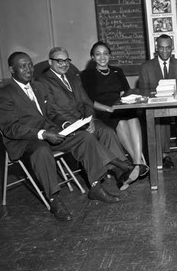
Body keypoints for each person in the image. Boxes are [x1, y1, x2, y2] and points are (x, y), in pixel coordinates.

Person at [0, 52, 131, 222]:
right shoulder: (3, 94)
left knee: (85, 137)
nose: (28, 69)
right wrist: (42, 134)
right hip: (25, 140)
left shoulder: (38, 86)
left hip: (50, 132)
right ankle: (54, 200)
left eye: (29, 65)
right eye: (23, 66)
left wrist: (66, 126)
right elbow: (10, 128)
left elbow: (50, 113)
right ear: (11, 69)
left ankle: (95, 186)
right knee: (41, 150)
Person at [37, 47, 142, 191]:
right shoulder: (43, 82)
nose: (64, 64)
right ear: (50, 62)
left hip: (84, 120)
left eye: (66, 60)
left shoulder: (73, 77)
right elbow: (51, 112)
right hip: (65, 126)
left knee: (107, 131)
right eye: (59, 61)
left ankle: (121, 172)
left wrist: (89, 119)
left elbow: (87, 102)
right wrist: (75, 124)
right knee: (88, 138)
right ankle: (122, 166)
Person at [80, 41, 148, 176]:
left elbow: (125, 92)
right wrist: (109, 109)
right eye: (98, 54)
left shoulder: (118, 71)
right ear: (93, 57)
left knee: (133, 118)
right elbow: (89, 101)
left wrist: (123, 104)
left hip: (119, 106)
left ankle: (137, 162)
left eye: (105, 53)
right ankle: (140, 163)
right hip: (102, 110)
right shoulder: (87, 74)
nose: (102, 57)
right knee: (121, 122)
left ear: (110, 55)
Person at [138, 34, 177, 169]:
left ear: (172, 48)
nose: (165, 51)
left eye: (168, 48)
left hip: (176, 104)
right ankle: (164, 154)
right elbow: (144, 92)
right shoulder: (146, 67)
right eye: (161, 48)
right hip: (158, 105)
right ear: (156, 48)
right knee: (161, 118)